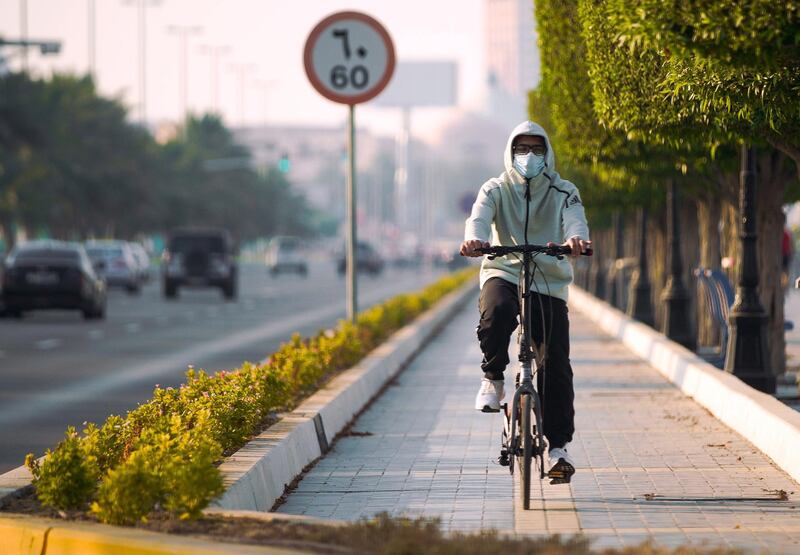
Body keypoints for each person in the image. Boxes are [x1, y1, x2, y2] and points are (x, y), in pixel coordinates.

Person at [460, 120, 591, 484]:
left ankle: (558, 448)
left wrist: (577, 240)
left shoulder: (564, 190)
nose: (529, 156)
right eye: (522, 149)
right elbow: (479, 220)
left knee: (555, 366)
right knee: (497, 312)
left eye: (536, 149)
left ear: (547, 153)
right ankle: (493, 378)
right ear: (510, 152)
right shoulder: (495, 188)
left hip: (548, 278)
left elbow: (575, 221)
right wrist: (475, 240)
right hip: (502, 268)